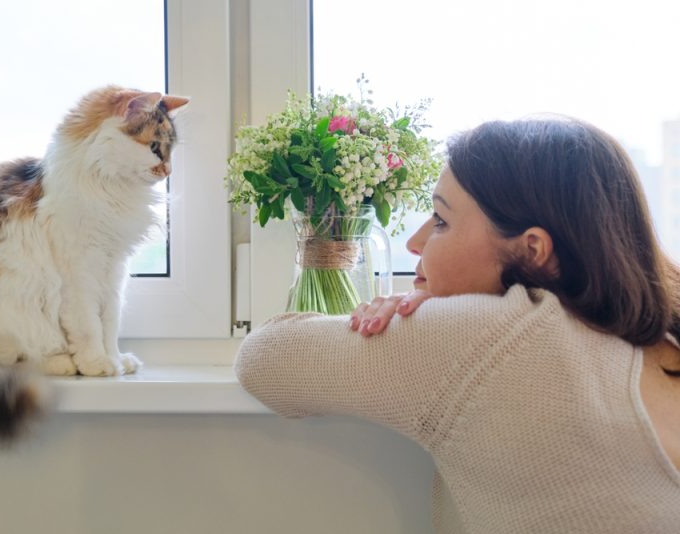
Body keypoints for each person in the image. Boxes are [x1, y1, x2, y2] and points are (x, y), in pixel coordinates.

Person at [235, 117, 680, 533]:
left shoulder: (492, 336)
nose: (414, 242)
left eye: (442, 221)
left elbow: (262, 358)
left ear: (532, 251)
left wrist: (423, 314)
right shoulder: (659, 339)